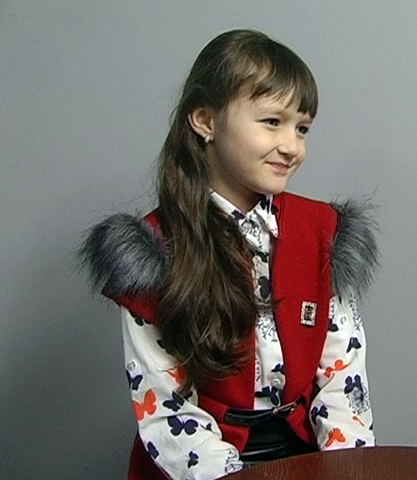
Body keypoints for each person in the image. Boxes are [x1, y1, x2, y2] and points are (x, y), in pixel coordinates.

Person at [79, 29, 378, 480]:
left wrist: (345, 469)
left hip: (304, 454)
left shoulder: (323, 232)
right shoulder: (154, 250)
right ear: (205, 120)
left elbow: (342, 381)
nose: (292, 146)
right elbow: (167, 409)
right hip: (201, 463)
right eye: (272, 122)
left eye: (302, 128)